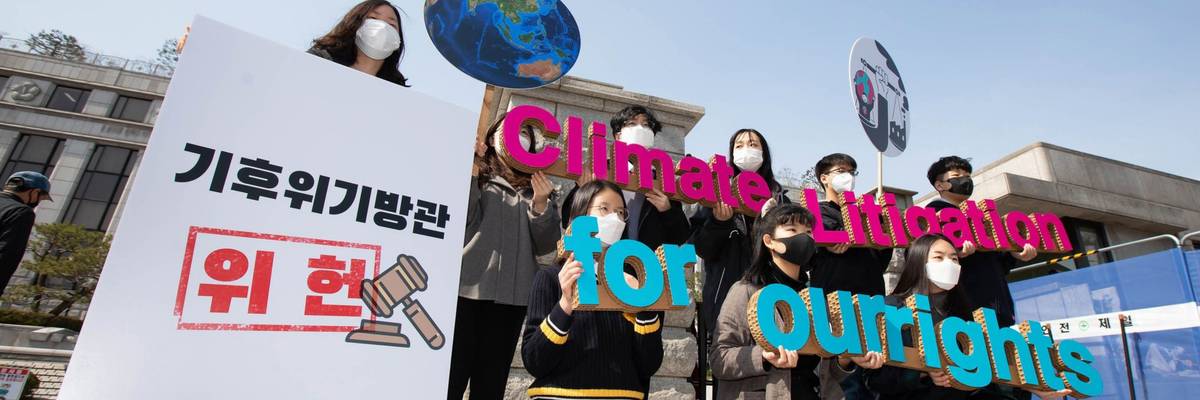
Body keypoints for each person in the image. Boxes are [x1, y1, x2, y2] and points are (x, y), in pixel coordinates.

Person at [711, 203, 884, 400]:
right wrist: (764, 357)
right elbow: (719, 358)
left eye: (809, 232)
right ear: (769, 241)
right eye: (792, 229)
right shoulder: (746, 291)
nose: (804, 237)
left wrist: (845, 359)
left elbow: (825, 369)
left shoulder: (813, 297)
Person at [448, 114, 560, 400]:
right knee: (451, 376)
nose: (521, 136)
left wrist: (541, 204)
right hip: (465, 292)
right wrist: (471, 169)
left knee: (490, 384)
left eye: (527, 133)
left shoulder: (539, 188)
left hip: (513, 299)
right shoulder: (477, 173)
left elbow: (547, 248)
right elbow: (459, 220)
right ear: (495, 136)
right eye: (515, 130)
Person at [522, 180, 663, 400]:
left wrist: (644, 307)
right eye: (604, 208)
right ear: (581, 213)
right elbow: (534, 361)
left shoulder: (632, 283)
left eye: (620, 212)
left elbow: (649, 364)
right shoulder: (550, 279)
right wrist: (565, 306)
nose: (614, 219)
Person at [689, 128, 789, 392]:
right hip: (727, 301)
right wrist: (719, 222)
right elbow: (702, 247)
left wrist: (773, 221)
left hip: (775, 300)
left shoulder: (779, 198)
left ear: (764, 153)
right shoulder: (714, 193)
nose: (747, 149)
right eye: (740, 144)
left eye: (753, 143)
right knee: (732, 370)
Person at [807, 153, 893, 399]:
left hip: (872, 304)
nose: (848, 176)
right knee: (843, 381)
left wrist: (883, 239)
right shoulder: (816, 214)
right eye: (841, 170)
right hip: (835, 307)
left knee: (876, 374)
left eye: (852, 171)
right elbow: (809, 255)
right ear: (824, 178)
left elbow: (880, 262)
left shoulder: (866, 215)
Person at [559, 105, 690, 252]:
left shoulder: (661, 179)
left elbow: (681, 236)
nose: (640, 128)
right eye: (632, 123)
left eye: (646, 125)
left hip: (646, 267)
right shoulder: (600, 170)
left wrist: (667, 210)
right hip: (602, 260)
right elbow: (567, 220)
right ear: (618, 135)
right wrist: (582, 191)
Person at [924, 156, 1035, 328]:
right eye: (957, 175)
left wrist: (1015, 254)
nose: (965, 180)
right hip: (966, 307)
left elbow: (997, 264)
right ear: (940, 185)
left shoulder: (979, 218)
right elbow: (924, 258)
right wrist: (954, 256)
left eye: (968, 176)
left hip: (998, 303)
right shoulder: (931, 215)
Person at [865, 233, 977, 400]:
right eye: (939, 257)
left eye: (954, 259)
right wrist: (922, 373)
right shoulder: (892, 308)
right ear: (919, 262)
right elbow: (875, 379)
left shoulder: (964, 312)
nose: (949, 264)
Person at [308, 0, 410, 86]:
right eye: (373, 18)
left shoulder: (398, 89)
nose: (383, 27)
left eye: (392, 24)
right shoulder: (319, 60)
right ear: (354, 24)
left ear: (398, 41)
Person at [0, 171, 51, 296]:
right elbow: (7, 255)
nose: (39, 201)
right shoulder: (20, 212)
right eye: (41, 197)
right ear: (34, 192)